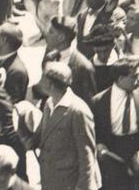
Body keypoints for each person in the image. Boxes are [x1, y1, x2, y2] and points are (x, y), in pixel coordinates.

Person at [91, 56, 139, 190]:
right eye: (135, 76)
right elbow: (93, 129)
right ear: (120, 79)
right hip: (113, 157)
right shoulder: (99, 101)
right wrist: (99, 145)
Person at [29, 61, 100, 190]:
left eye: (42, 78)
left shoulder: (78, 111)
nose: (39, 81)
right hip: (51, 181)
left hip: (70, 184)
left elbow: (87, 155)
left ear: (50, 84)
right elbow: (42, 137)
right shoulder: (49, 104)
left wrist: (83, 187)